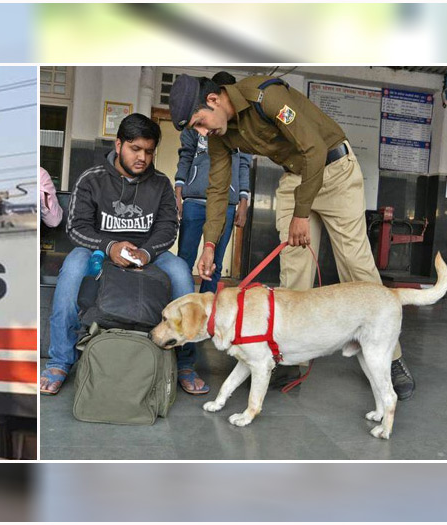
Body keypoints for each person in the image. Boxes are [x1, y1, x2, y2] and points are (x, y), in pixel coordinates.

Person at [168, 72, 415, 400]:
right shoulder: (219, 136)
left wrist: (302, 214)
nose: (202, 132)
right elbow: (217, 189)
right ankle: (287, 357)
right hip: (295, 178)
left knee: (357, 269)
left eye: (200, 121)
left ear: (213, 100)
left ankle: (393, 358)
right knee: (294, 275)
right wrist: (210, 243)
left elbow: (313, 150)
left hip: (334, 171)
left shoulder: (265, 97)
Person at [40, 113, 208, 396]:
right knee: (71, 270)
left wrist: (146, 251)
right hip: (99, 250)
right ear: (118, 145)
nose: (142, 157)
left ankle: (185, 362)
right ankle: (60, 360)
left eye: (149, 151)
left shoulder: (161, 183)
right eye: (135, 149)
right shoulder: (91, 179)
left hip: (148, 252)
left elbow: (168, 228)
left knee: (181, 272)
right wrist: (109, 247)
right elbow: (76, 227)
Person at [174, 78, 251, 293]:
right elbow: (186, 155)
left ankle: (207, 312)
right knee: (185, 260)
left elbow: (244, 164)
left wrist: (243, 201)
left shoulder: (240, 128)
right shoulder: (194, 124)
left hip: (226, 202)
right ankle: (183, 305)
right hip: (194, 202)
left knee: (214, 264)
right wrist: (179, 192)